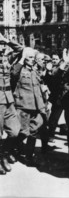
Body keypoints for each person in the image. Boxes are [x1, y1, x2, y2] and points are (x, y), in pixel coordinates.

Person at [11, 47, 46, 167]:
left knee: (33, 132)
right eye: (30, 57)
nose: (32, 60)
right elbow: (13, 73)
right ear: (25, 58)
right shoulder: (20, 69)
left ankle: (29, 156)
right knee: (24, 132)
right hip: (24, 105)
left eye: (33, 57)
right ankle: (12, 149)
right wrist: (21, 58)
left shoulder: (35, 70)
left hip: (36, 106)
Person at [0, 34, 23, 174]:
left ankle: (3, 153)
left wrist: (7, 40)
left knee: (15, 131)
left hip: (8, 99)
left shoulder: (6, 58)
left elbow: (20, 50)